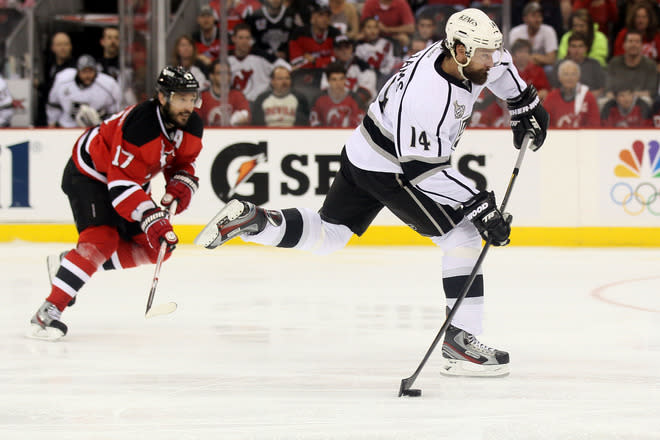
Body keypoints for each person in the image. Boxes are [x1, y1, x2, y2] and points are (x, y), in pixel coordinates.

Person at [195, 8, 549, 377]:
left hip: (363, 150)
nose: (490, 60)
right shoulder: (427, 96)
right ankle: (462, 339)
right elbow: (423, 172)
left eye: (491, 51)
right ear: (459, 50)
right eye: (483, 54)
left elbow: (503, 67)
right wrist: (479, 206)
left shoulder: (463, 57)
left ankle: (257, 221)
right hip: (393, 169)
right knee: (461, 234)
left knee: (330, 235)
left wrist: (524, 102)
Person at [28, 66, 204, 341]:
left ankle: (70, 265)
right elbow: (119, 186)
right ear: (162, 97)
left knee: (156, 247)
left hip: (129, 178)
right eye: (181, 98)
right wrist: (150, 217)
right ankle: (49, 311)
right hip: (90, 174)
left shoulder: (190, 123)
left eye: (192, 98)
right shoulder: (140, 127)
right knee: (101, 240)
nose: (188, 106)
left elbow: (183, 161)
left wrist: (181, 183)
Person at [47, 54, 121, 128]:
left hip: (96, 129)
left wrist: (105, 121)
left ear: (96, 71)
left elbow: (117, 109)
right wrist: (52, 123)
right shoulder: (63, 80)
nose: (87, 75)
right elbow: (53, 105)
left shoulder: (108, 84)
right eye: (84, 71)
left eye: (90, 71)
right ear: (78, 71)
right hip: (67, 127)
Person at [228, 23, 291, 103]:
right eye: (241, 38)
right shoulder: (226, 59)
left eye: (247, 38)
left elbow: (286, 68)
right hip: (235, 104)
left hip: (260, 102)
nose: (244, 41)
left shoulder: (262, 56)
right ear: (233, 39)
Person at [320, 34, 377, 110]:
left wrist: (348, 106)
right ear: (335, 51)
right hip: (334, 108)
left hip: (363, 109)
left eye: (346, 47)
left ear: (352, 48)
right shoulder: (330, 68)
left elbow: (365, 94)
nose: (344, 51)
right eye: (340, 48)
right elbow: (325, 91)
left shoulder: (363, 67)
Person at [605, 30, 658, 105]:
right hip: (617, 100)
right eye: (630, 41)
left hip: (640, 101)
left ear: (641, 46)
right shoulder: (614, 63)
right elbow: (608, 89)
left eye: (637, 42)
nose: (634, 44)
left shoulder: (650, 65)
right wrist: (621, 98)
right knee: (604, 101)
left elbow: (651, 91)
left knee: (647, 100)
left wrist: (630, 96)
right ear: (624, 45)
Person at [544, 60, 600, 127]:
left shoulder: (588, 97)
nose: (569, 78)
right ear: (559, 77)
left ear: (579, 77)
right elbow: (546, 125)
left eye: (573, 74)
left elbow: (595, 125)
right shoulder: (551, 97)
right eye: (566, 74)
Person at [550, 32, 606, 98]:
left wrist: (585, 98)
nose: (577, 50)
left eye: (580, 46)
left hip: (590, 100)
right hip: (564, 101)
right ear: (568, 48)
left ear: (586, 48)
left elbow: (601, 89)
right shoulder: (559, 65)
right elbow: (554, 89)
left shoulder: (595, 64)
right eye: (573, 46)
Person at [197, 59, 251, 126]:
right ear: (211, 76)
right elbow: (194, 121)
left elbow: (246, 116)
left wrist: (240, 118)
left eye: (227, 73)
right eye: (220, 73)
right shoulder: (202, 97)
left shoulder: (237, 95)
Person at [310, 62, 364, 127]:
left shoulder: (355, 98)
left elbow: (360, 125)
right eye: (334, 79)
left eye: (341, 79)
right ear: (328, 80)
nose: (338, 83)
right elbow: (314, 124)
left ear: (345, 79)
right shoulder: (318, 99)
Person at [508, 1, 558, 72]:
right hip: (519, 66)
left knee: (549, 69)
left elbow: (551, 59)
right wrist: (536, 58)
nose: (538, 19)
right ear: (525, 19)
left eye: (539, 16)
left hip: (540, 67)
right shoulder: (515, 32)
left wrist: (528, 58)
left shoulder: (549, 31)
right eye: (534, 16)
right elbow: (509, 57)